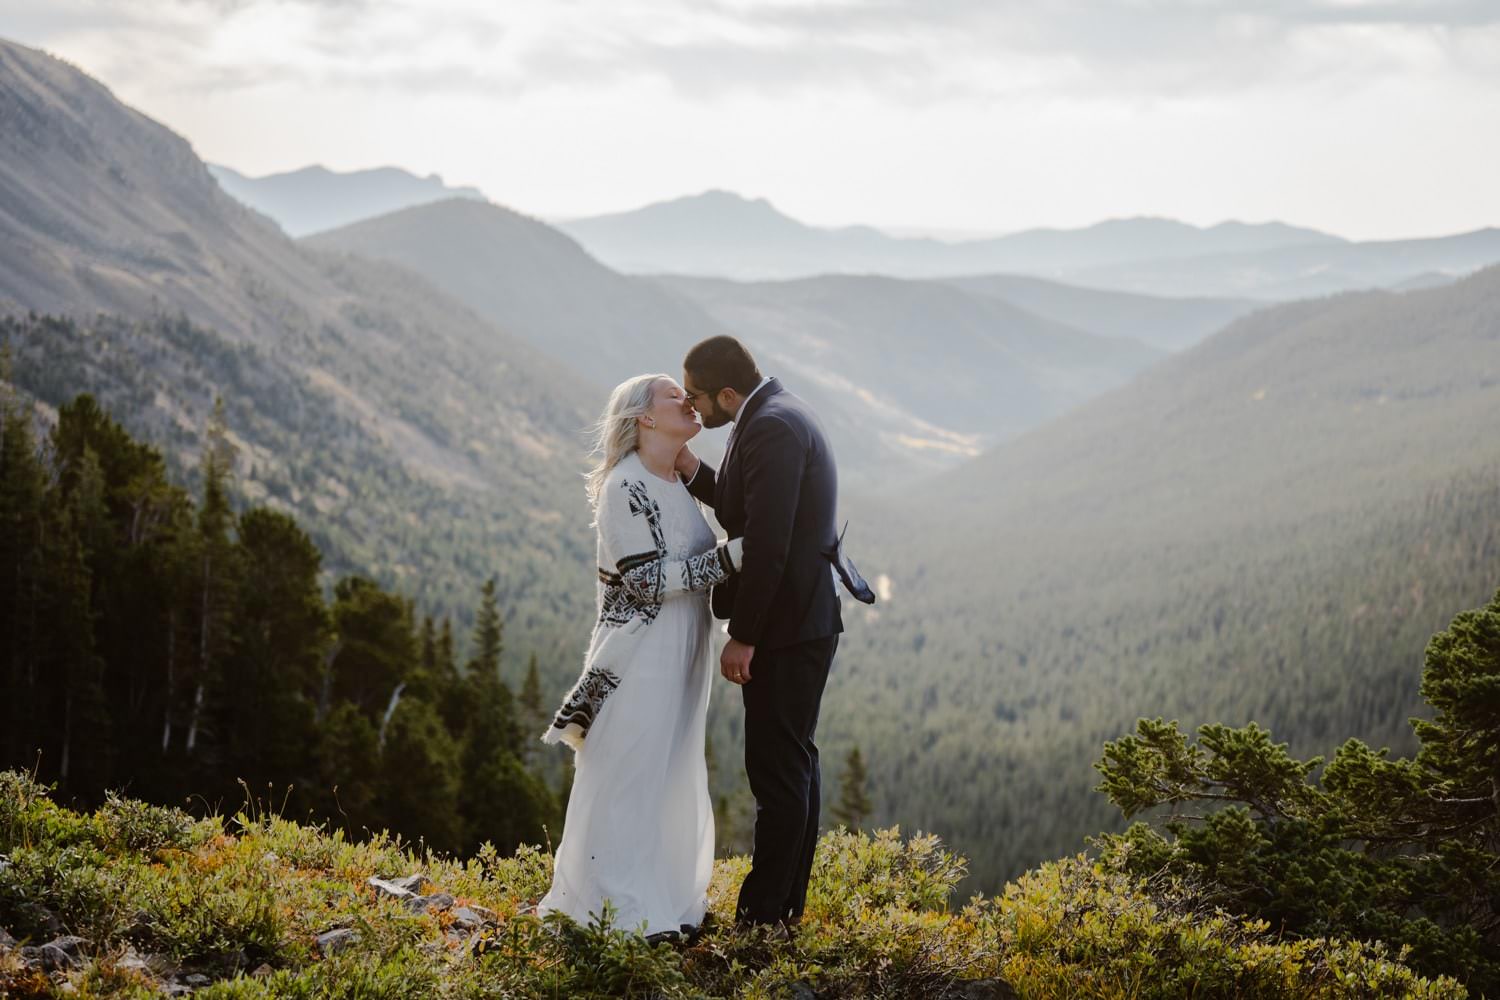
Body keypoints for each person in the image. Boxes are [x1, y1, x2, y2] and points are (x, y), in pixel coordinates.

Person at [674, 335, 873, 932]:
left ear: (727, 393)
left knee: (777, 770)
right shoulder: (768, 413)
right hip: (799, 621)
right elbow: (747, 506)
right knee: (793, 761)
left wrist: (744, 635)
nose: (691, 408)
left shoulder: (772, 428)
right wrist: (692, 472)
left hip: (789, 627)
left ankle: (763, 920)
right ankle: (783, 908)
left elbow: (768, 544)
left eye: (696, 397)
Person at [539, 373, 743, 937]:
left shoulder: (676, 483)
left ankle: (667, 897)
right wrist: (736, 557)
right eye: (674, 395)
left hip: (685, 646)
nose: (689, 399)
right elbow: (647, 580)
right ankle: (619, 909)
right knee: (629, 768)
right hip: (640, 652)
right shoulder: (623, 486)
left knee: (670, 768)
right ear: (644, 418)